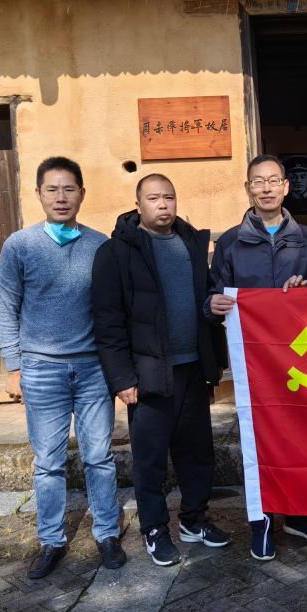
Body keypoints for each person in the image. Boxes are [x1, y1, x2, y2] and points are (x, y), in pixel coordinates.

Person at [0, 156, 124, 579]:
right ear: (38, 194)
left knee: (99, 456)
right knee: (48, 461)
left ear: (82, 193)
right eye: (52, 189)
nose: (61, 197)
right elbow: (6, 307)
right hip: (41, 368)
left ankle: (107, 533)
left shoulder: (100, 245)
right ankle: (51, 539)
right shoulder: (20, 245)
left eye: (69, 189)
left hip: (92, 369)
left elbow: (112, 310)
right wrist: (13, 366)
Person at [91, 173, 230, 568]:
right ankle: (154, 528)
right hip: (148, 372)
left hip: (193, 367)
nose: (163, 204)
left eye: (169, 197)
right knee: (150, 458)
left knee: (197, 452)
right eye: (153, 198)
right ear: (139, 205)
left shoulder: (189, 242)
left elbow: (203, 294)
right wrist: (122, 379)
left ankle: (194, 520)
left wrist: (211, 305)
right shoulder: (116, 252)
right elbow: (107, 321)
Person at [205, 154, 307, 561]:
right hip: (254, 363)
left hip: (302, 360)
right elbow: (213, 293)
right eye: (257, 182)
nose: (265, 188)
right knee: (256, 440)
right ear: (248, 189)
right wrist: (213, 304)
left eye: (273, 180)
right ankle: (260, 522)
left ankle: (298, 514)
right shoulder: (230, 243)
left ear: (286, 187)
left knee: (302, 438)